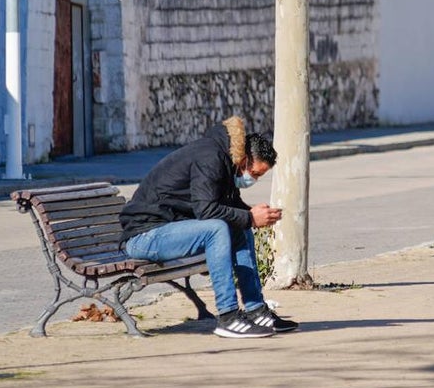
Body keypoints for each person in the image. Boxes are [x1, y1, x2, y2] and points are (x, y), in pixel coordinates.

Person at [119, 116, 299, 338]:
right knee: (217, 228)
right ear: (244, 160)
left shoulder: (224, 160)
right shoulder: (211, 158)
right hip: (145, 236)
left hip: (167, 230)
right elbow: (206, 211)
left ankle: (255, 309)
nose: (254, 180)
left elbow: (228, 209)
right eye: (255, 174)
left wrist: (252, 215)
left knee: (239, 226)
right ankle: (228, 316)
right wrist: (251, 217)